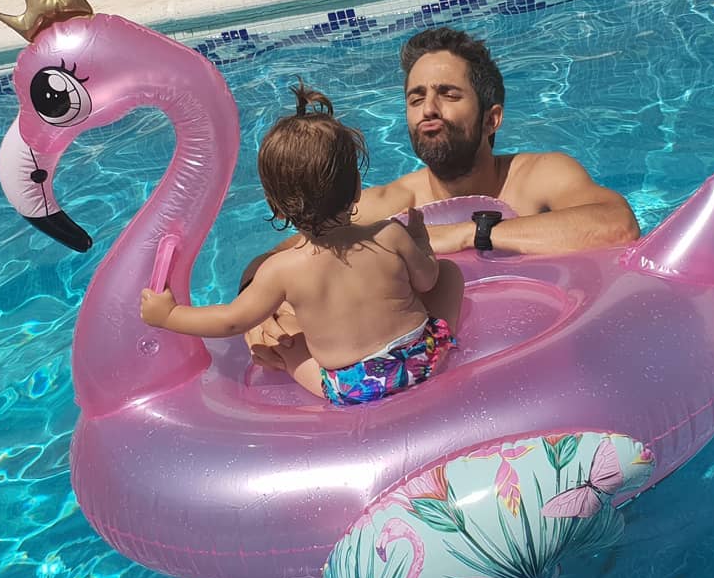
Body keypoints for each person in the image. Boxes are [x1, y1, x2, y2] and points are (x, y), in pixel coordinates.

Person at [243, 26, 640, 374]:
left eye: (447, 94)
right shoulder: (390, 203)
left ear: (491, 119)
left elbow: (616, 225)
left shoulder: (539, 176)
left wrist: (470, 232)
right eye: (416, 99)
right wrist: (257, 310)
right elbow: (268, 262)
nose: (429, 109)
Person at [140, 83, 464, 405]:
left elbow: (232, 319)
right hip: (422, 359)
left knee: (288, 345)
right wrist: (420, 242)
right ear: (356, 189)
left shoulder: (281, 270)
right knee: (450, 273)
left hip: (354, 387)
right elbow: (429, 279)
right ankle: (441, 343)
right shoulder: (389, 234)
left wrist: (168, 316)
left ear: (276, 206)